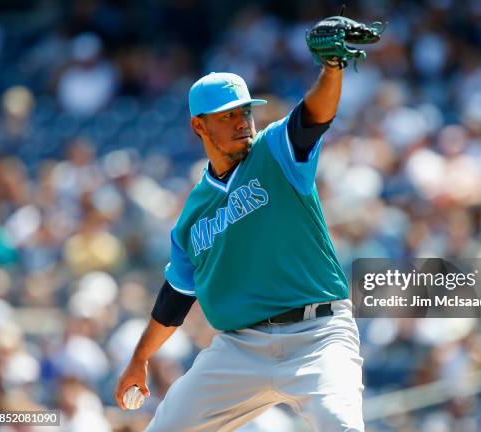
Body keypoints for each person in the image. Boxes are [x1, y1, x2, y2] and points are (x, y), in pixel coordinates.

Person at [114, 62, 364, 431]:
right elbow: (174, 300)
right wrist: (140, 358)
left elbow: (313, 117)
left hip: (318, 335)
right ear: (198, 125)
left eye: (245, 111)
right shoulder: (192, 215)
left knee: (339, 424)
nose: (241, 121)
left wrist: (331, 69)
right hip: (240, 348)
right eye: (227, 115)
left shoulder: (275, 150)